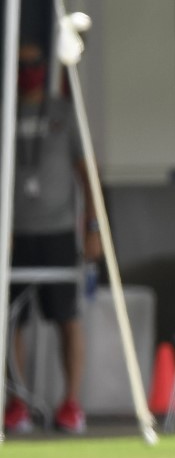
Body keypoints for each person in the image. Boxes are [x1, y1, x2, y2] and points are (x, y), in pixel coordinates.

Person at [3, 41, 101, 435]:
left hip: (58, 231)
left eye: (35, 64)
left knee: (66, 317)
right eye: (21, 65)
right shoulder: (6, 112)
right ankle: (17, 402)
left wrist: (92, 227)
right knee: (12, 322)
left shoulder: (63, 111)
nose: (29, 71)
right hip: (13, 236)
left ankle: (72, 402)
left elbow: (87, 173)